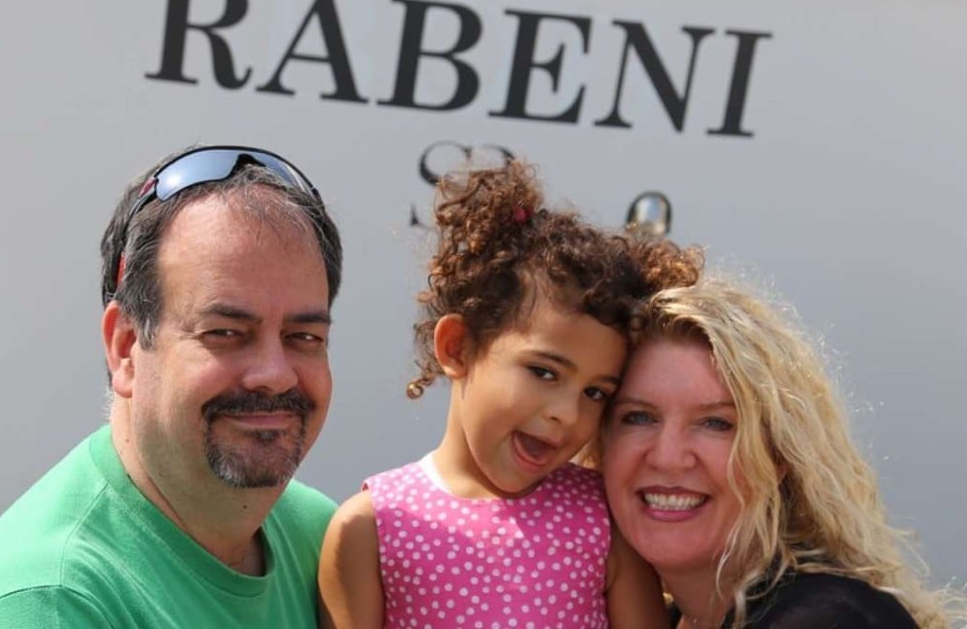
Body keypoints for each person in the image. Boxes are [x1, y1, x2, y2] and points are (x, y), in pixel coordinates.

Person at [0, 145, 343, 628]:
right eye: (226, 333)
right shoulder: (45, 606)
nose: (275, 373)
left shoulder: (320, 538)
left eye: (303, 337)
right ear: (126, 346)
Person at [318, 161, 702, 628]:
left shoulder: (606, 517)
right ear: (457, 347)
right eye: (543, 372)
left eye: (597, 393)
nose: (566, 413)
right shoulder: (369, 527)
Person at [600, 277, 967, 628]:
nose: (667, 457)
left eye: (715, 423)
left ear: (778, 454)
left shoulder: (830, 619)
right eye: (638, 417)